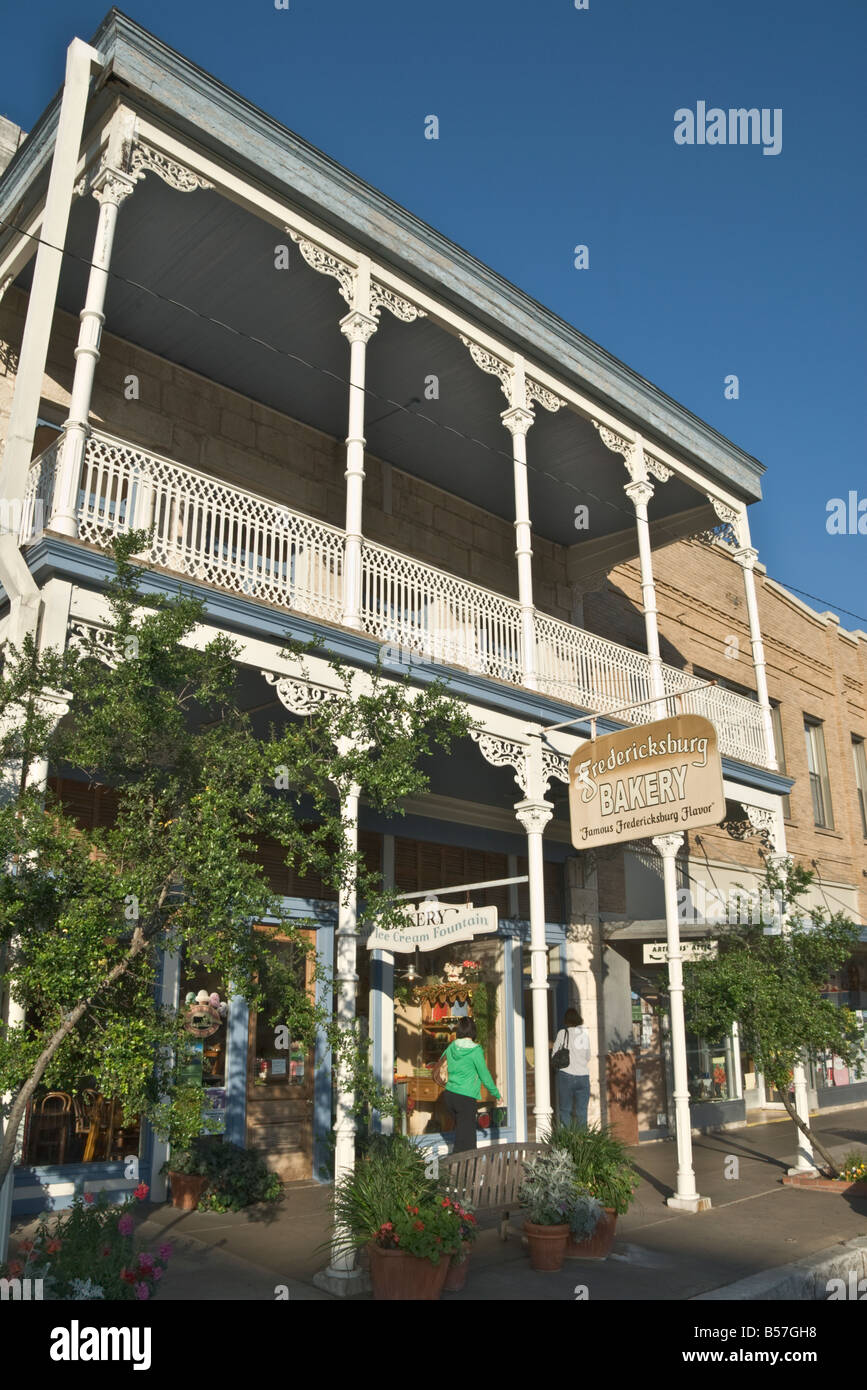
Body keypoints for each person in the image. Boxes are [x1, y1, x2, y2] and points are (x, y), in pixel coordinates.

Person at [440, 1017, 502, 1152]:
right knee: (467, 1141)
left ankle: (459, 1168)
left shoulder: (452, 1046)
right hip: (465, 1098)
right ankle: (463, 1170)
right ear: (473, 1031)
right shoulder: (475, 1050)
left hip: (449, 1095)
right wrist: (496, 1093)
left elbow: (440, 1062)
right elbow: (484, 1075)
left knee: (462, 1134)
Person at [553, 1006, 591, 1127]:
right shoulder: (584, 1034)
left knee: (565, 1111)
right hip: (583, 1077)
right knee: (582, 1112)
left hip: (566, 1075)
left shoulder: (562, 1033)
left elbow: (554, 1055)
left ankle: (567, 1142)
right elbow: (588, 1056)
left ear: (566, 1020)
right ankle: (582, 1142)